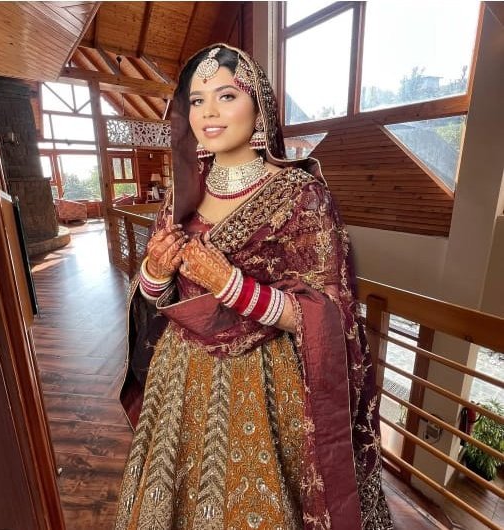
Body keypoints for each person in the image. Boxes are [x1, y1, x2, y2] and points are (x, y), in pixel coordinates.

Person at [114, 43, 393, 530]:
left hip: (265, 379)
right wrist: (156, 273)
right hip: (179, 376)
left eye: (226, 95)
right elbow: (160, 299)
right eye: (197, 100)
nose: (209, 112)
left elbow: (328, 313)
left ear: (259, 107)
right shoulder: (182, 194)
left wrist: (230, 285)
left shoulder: (301, 196)